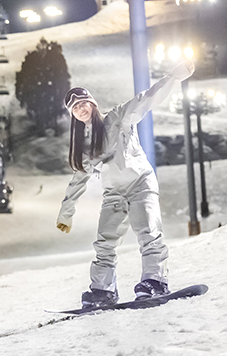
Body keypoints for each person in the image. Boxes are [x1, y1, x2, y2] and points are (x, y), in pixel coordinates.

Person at [57, 59, 195, 309]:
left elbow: (146, 98)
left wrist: (174, 77)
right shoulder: (85, 146)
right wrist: (66, 213)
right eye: (75, 108)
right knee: (104, 242)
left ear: (93, 103)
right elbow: (78, 179)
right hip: (114, 195)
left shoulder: (117, 118)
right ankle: (103, 289)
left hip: (140, 183)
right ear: (73, 115)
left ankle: (155, 280)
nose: (81, 109)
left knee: (148, 232)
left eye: (83, 103)